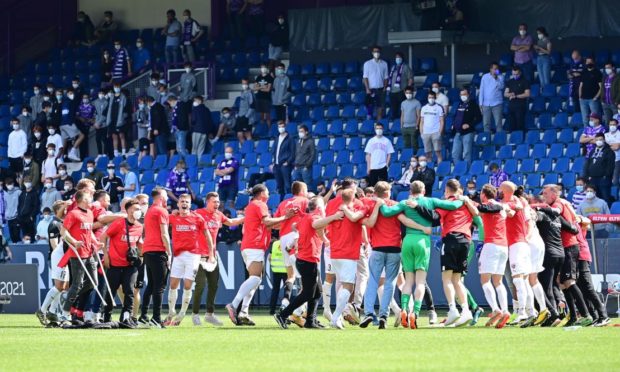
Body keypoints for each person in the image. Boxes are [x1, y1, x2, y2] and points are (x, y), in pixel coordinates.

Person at [225, 184, 295, 325]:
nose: (269, 195)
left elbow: (268, 225)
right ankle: (234, 304)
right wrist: (285, 217)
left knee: (255, 280)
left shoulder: (252, 205)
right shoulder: (259, 204)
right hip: (254, 245)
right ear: (262, 193)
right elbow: (267, 221)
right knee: (256, 279)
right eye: (267, 192)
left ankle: (244, 311)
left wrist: (285, 221)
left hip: (250, 245)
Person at [362, 182, 427, 329]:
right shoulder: (396, 205)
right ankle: (384, 315)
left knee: (372, 280)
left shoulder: (372, 205)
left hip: (377, 247)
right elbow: (406, 222)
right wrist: (423, 228)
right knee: (390, 282)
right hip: (395, 248)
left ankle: (368, 313)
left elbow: (361, 200)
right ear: (388, 192)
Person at [274, 196, 344, 329]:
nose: (324, 209)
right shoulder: (313, 218)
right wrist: (334, 217)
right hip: (307, 260)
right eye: (323, 207)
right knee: (308, 293)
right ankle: (283, 315)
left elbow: (296, 226)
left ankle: (310, 321)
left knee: (316, 292)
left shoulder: (305, 217)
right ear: (318, 208)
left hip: (306, 259)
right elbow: (315, 224)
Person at [542, 184, 593, 326]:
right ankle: (573, 317)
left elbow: (556, 212)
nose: (544, 196)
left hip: (569, 246)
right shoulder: (564, 203)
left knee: (569, 281)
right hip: (564, 247)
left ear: (554, 194)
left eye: (546, 193)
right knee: (563, 284)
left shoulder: (559, 203)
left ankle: (586, 314)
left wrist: (539, 207)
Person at [193, 192, 244, 325]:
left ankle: (209, 314)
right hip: (199, 254)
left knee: (214, 285)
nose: (217, 204)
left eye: (218, 202)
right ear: (207, 202)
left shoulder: (218, 215)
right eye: (214, 202)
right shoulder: (197, 213)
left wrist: (246, 217)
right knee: (200, 285)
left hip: (212, 255)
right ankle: (195, 314)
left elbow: (231, 222)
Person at [164, 194, 213, 326]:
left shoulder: (197, 218)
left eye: (187, 202)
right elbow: (161, 224)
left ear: (190, 205)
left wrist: (211, 253)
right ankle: (170, 312)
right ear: (178, 204)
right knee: (173, 284)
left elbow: (207, 235)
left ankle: (181, 315)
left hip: (193, 255)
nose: (184, 203)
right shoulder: (173, 217)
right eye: (182, 201)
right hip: (178, 255)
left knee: (187, 285)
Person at [323, 186, 367, 329]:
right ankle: (336, 317)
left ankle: (336, 316)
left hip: (334, 251)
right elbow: (363, 222)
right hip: (349, 252)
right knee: (348, 286)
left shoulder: (331, 204)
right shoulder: (358, 205)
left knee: (342, 284)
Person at [100, 198, 143, 326]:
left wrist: (141, 255)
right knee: (111, 291)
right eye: (136, 209)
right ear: (128, 210)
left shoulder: (140, 226)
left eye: (139, 209)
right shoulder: (119, 223)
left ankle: (125, 317)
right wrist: (106, 255)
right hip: (115, 264)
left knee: (130, 291)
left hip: (130, 265)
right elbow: (104, 236)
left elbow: (139, 242)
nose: (138, 211)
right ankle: (106, 316)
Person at [475, 184, 511, 328]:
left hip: (491, 244)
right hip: (504, 245)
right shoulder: (501, 206)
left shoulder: (489, 205)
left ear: (484, 194)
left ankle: (496, 309)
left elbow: (479, 211)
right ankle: (505, 310)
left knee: (485, 280)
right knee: (498, 281)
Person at [60, 190, 98, 322]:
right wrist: (74, 242)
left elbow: (89, 231)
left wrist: (96, 242)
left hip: (89, 253)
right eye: (89, 198)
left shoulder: (90, 213)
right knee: (77, 284)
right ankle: (65, 312)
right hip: (77, 254)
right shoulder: (73, 214)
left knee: (93, 282)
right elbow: (63, 231)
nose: (91, 199)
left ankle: (70, 297)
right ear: (82, 200)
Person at [138, 188, 171, 328]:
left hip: (148, 250)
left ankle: (143, 316)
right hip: (158, 251)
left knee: (151, 285)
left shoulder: (150, 211)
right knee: (159, 286)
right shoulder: (162, 211)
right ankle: (156, 318)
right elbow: (164, 234)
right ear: (162, 197)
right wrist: (169, 253)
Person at [35, 201, 69, 324]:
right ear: (58, 210)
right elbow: (54, 244)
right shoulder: (54, 223)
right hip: (58, 258)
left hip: (64, 258)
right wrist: (63, 259)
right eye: (64, 208)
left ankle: (53, 312)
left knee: (63, 286)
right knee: (59, 286)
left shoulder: (62, 223)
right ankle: (43, 310)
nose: (66, 211)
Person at [452, 88, 481, 164]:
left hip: (468, 132)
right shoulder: (460, 104)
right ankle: (458, 170)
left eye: (464, 94)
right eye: (461, 94)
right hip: (457, 132)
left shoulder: (473, 105)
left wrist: (469, 124)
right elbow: (456, 116)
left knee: (467, 153)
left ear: (468, 95)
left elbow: (479, 118)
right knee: (455, 153)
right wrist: (453, 125)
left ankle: (467, 170)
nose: (463, 96)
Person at [584, 132, 614, 203]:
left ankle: (607, 214)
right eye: (597, 140)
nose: (598, 141)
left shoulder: (609, 151)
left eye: (600, 139)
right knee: (595, 199)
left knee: (605, 198)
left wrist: (606, 176)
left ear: (604, 140)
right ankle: (597, 214)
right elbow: (588, 163)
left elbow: (610, 165)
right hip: (593, 179)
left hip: (603, 179)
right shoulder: (592, 151)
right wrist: (588, 175)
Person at [363, 46, 388, 120]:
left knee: (380, 108)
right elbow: (365, 77)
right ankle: (369, 121)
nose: (376, 53)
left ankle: (379, 124)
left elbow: (386, 77)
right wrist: (367, 89)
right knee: (369, 107)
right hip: (371, 89)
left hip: (380, 89)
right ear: (372, 53)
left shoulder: (384, 64)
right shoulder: (367, 64)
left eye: (378, 51)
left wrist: (385, 87)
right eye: (375, 51)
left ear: (380, 53)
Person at [479, 62, 505, 133]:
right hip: (486, 104)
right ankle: (486, 141)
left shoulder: (501, 77)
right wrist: (480, 103)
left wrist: (496, 78)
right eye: (494, 69)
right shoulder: (485, 76)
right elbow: (481, 90)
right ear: (490, 69)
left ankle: (500, 140)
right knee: (486, 124)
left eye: (497, 69)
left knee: (498, 124)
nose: (496, 70)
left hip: (497, 104)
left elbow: (501, 87)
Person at [504, 65, 531, 132]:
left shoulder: (525, 81)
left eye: (517, 74)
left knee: (520, 124)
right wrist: (510, 94)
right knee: (511, 124)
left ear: (520, 73)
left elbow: (527, 94)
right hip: (511, 106)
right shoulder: (510, 81)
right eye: (513, 74)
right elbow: (505, 93)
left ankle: (521, 139)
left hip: (521, 106)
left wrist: (516, 96)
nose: (515, 76)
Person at [272, 121, 295, 198]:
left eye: (282, 126)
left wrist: (288, 162)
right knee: (279, 185)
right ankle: (281, 202)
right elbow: (275, 151)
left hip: (285, 165)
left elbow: (293, 152)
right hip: (277, 164)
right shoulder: (277, 138)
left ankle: (289, 199)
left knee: (288, 184)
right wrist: (273, 162)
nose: (281, 128)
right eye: (279, 127)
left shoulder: (290, 138)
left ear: (285, 127)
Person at [420, 91, 445, 163]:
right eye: (429, 97)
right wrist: (422, 133)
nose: (431, 99)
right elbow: (421, 121)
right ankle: (430, 168)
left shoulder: (439, 108)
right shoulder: (424, 108)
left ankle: (440, 168)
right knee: (428, 153)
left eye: (432, 97)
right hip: (426, 133)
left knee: (438, 152)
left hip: (435, 132)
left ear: (435, 98)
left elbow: (442, 121)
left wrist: (439, 132)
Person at [388, 53, 414, 121]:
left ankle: (404, 120)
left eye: (399, 57)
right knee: (394, 107)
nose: (398, 59)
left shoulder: (406, 67)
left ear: (402, 58)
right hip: (392, 91)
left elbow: (410, 78)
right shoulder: (393, 67)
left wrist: (408, 89)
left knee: (403, 107)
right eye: (396, 57)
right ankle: (394, 121)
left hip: (402, 91)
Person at [106, 83, 129, 157]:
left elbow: (126, 109)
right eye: (115, 86)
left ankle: (123, 152)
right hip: (112, 120)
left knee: (121, 136)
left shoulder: (123, 97)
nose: (116, 88)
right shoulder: (111, 97)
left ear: (120, 87)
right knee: (114, 137)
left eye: (118, 86)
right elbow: (109, 108)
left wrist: (123, 118)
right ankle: (115, 153)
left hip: (119, 120)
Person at [579, 57, 603, 126]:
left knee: (596, 118)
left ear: (593, 63)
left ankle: (597, 134)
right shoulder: (584, 72)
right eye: (587, 62)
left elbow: (601, 87)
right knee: (585, 119)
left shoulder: (597, 72)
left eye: (590, 62)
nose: (589, 63)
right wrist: (580, 96)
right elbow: (581, 85)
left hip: (593, 99)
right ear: (585, 63)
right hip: (583, 99)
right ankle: (586, 134)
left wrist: (596, 97)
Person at [268, 234, 287, 315]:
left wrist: (274, 264)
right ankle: (285, 308)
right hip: (286, 270)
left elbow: (269, 257)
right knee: (287, 290)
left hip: (276, 269)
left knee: (275, 290)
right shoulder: (288, 242)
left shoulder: (275, 244)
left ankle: (272, 310)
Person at [292, 124, 315, 190]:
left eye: (302, 131)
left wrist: (307, 166)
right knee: (298, 186)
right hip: (297, 167)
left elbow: (312, 155)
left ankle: (310, 199)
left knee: (308, 185)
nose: (300, 133)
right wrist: (295, 164)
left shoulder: (310, 142)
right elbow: (296, 153)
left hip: (305, 168)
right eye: (299, 132)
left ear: (306, 132)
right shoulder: (298, 141)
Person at [400, 86, 421, 151]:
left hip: (413, 126)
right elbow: (402, 115)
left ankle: (415, 157)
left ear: (412, 93)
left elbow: (418, 115)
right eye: (407, 93)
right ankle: (408, 157)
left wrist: (417, 125)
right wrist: (401, 125)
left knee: (414, 144)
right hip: (404, 127)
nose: (408, 94)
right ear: (405, 93)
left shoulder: (417, 102)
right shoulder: (403, 103)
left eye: (410, 93)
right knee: (406, 144)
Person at [236, 78, 255, 144]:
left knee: (247, 134)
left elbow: (252, 106)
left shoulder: (250, 93)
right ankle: (245, 149)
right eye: (243, 83)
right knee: (239, 135)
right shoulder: (242, 92)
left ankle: (250, 149)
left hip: (247, 118)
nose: (244, 85)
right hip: (240, 116)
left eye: (245, 83)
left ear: (248, 84)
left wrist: (246, 116)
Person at [605, 119, 620, 189]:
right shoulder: (605, 135)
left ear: (617, 125)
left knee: (615, 180)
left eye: (614, 125)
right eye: (610, 125)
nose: (612, 126)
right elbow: (603, 148)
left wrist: (607, 145)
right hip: (606, 160)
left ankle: (616, 194)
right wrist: (612, 145)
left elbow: (616, 147)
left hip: (617, 159)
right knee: (606, 180)